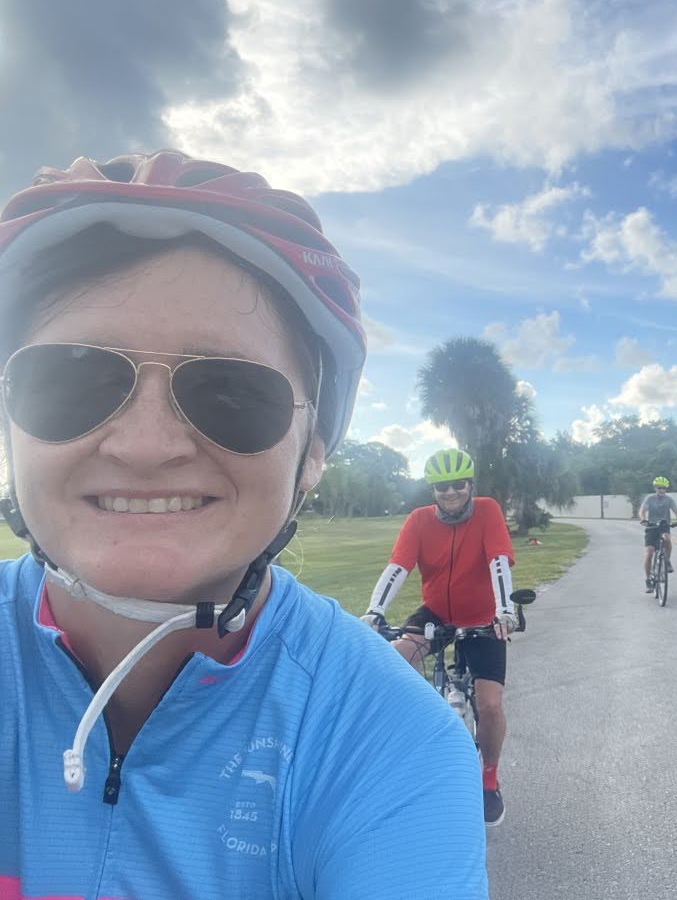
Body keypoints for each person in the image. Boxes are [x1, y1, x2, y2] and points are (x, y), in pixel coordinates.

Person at [0, 151, 486, 897]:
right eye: (72, 380)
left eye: (229, 392)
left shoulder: (392, 742)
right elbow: (395, 569)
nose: (145, 445)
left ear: (312, 452)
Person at [361, 447, 517, 827]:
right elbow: (398, 566)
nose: (450, 493)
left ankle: (489, 777)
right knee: (393, 660)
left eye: (457, 485)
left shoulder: (487, 510)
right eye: (441, 487)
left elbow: (498, 560)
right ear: (432, 490)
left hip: (483, 618)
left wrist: (504, 611)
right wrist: (375, 611)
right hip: (436, 613)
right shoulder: (419, 520)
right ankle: (404, 744)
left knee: (490, 705)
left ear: (470, 484)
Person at [639, 476, 677, 589]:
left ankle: (667, 562)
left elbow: (676, 510)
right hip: (651, 526)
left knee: (667, 539)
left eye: (663, 488)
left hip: (664, 525)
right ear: (655, 488)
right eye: (659, 488)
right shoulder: (650, 499)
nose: (661, 490)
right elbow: (642, 511)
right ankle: (648, 579)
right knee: (650, 552)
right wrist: (643, 519)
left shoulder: (669, 500)